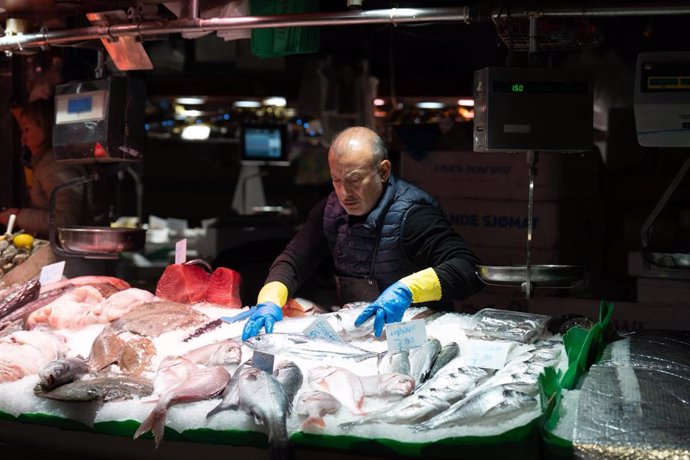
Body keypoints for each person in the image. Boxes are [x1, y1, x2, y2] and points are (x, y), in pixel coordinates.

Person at [240, 126, 484, 340]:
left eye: (354, 180)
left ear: (383, 171)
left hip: (419, 335)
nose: (344, 193)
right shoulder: (329, 210)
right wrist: (270, 298)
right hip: (361, 336)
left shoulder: (414, 215)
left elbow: (468, 268)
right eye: (336, 180)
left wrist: (407, 290)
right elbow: (294, 261)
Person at [0, 98, 92, 239]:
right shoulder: (42, 160)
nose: (23, 139)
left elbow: (67, 220)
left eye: (27, 129)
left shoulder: (56, 166)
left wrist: (19, 217)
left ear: (45, 127)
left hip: (73, 253)